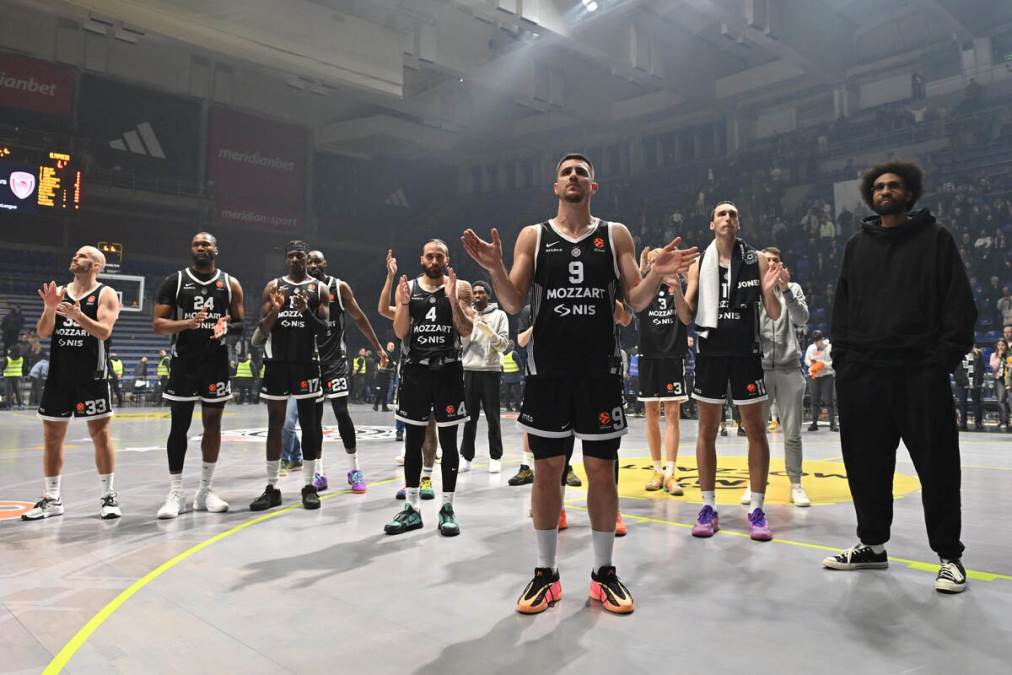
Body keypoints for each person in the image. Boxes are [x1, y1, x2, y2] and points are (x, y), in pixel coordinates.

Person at [462, 152, 698, 615]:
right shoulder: (533, 236)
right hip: (548, 372)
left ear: (593, 186)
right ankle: (545, 574)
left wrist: (656, 273)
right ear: (556, 187)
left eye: (581, 173)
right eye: (566, 172)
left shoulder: (615, 234)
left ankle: (603, 573)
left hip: (598, 371)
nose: (573, 176)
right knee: (547, 470)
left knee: (602, 471)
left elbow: (636, 300)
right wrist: (494, 269)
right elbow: (512, 302)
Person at [823, 161, 976, 594]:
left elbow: (959, 306)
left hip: (918, 374)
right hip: (863, 375)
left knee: (938, 467)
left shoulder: (936, 239)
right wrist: (845, 360)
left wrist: (939, 362)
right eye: (878, 187)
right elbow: (842, 309)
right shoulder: (857, 246)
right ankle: (872, 546)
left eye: (893, 186)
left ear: (910, 194)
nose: (885, 191)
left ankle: (949, 556)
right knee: (865, 464)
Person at [682, 201, 783, 541]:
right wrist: (675, 290)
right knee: (707, 430)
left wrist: (768, 292)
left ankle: (757, 509)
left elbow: (773, 313)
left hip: (745, 354)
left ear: (739, 223)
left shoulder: (758, 260)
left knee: (755, 430)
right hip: (710, 354)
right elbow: (686, 315)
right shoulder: (699, 263)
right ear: (712, 224)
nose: (727, 218)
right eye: (721, 214)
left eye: (732, 214)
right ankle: (708, 506)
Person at [24, 246, 122, 521]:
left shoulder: (105, 293)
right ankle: (52, 499)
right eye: (75, 254)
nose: (75, 258)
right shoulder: (60, 292)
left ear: (96, 265)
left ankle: (108, 496)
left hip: (91, 376)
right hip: (60, 376)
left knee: (100, 435)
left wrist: (78, 316)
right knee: (52, 437)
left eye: (82, 256)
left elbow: (104, 332)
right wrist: (50, 308)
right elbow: (44, 332)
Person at [152, 232, 244, 519]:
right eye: (196, 244)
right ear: (191, 249)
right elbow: (158, 324)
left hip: (215, 364)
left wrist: (226, 328)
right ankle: (176, 492)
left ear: (216, 249)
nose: (201, 247)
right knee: (178, 426)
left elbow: (241, 324)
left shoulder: (230, 284)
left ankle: (205, 491)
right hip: (184, 364)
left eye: (206, 244)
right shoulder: (176, 281)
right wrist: (187, 323)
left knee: (213, 425)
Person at [384, 240, 472, 536]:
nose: (434, 260)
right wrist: (404, 303)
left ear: (447, 259)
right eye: (430, 256)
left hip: (448, 372)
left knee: (449, 442)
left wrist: (453, 300)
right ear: (422, 259)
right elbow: (400, 332)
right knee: (412, 442)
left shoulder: (459, 287)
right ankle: (412, 509)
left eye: (439, 256)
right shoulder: (409, 287)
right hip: (416, 373)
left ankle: (447, 508)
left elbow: (466, 330)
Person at [252, 240, 329, 511]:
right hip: (277, 364)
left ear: (307, 258)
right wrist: (277, 308)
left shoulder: (319, 289)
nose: (295, 259)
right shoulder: (273, 287)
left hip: (306, 364)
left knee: (309, 425)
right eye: (291, 255)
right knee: (275, 424)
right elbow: (262, 328)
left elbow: (324, 330)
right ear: (286, 259)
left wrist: (305, 311)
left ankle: (308, 486)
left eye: (300, 255)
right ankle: (272, 487)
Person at [307, 249, 388, 494]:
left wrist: (378, 347)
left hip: (335, 361)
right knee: (313, 420)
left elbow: (360, 317)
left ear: (325, 263)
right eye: (309, 262)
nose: (313, 265)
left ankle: (355, 469)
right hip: (310, 362)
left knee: (342, 413)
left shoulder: (339, 287)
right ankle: (318, 473)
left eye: (317, 261)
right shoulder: (299, 289)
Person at [755, 247, 811, 507]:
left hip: (790, 368)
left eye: (775, 260)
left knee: (792, 433)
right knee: (757, 434)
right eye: (766, 260)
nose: (771, 264)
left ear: (782, 264)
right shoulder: (754, 291)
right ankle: (754, 485)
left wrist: (786, 290)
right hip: (761, 369)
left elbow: (802, 319)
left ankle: (796, 484)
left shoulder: (794, 288)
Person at [635, 248, 691, 496]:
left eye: (662, 259)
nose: (657, 261)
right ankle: (656, 470)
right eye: (653, 259)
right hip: (648, 356)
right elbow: (632, 302)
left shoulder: (677, 285)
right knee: (651, 414)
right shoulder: (643, 288)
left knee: (672, 414)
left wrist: (678, 284)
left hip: (672, 356)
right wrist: (641, 273)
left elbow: (688, 314)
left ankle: (671, 472)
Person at [460, 280, 511, 474]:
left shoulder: (500, 315)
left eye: (481, 292)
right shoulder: (467, 314)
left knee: (493, 417)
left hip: (491, 371)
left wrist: (490, 333)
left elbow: (504, 345)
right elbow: (461, 344)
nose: (477, 295)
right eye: (475, 292)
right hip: (469, 370)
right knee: (469, 418)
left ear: (488, 295)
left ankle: (495, 457)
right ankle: (466, 457)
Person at [804, 330, 837, 431]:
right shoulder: (811, 348)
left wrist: (823, 364)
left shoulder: (829, 347)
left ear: (822, 339)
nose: (817, 343)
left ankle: (832, 424)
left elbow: (833, 362)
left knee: (829, 400)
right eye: (815, 341)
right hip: (814, 376)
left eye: (818, 340)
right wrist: (813, 364)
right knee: (814, 400)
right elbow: (806, 360)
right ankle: (814, 423)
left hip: (827, 375)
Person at [954, 346, 984, 431]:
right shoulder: (958, 353)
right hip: (961, 382)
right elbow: (956, 369)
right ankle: (963, 423)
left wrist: (978, 381)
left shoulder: (977, 354)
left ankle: (978, 423)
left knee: (977, 403)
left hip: (975, 382)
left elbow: (981, 368)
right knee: (962, 402)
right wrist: (964, 382)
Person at [990, 339, 1010, 431]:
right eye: (999, 345)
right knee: (1001, 401)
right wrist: (999, 357)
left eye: (1003, 345)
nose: (1001, 347)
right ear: (997, 346)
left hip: (1010, 380)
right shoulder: (993, 355)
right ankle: (1004, 421)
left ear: (1006, 346)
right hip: (1000, 380)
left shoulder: (1010, 354)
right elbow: (994, 368)